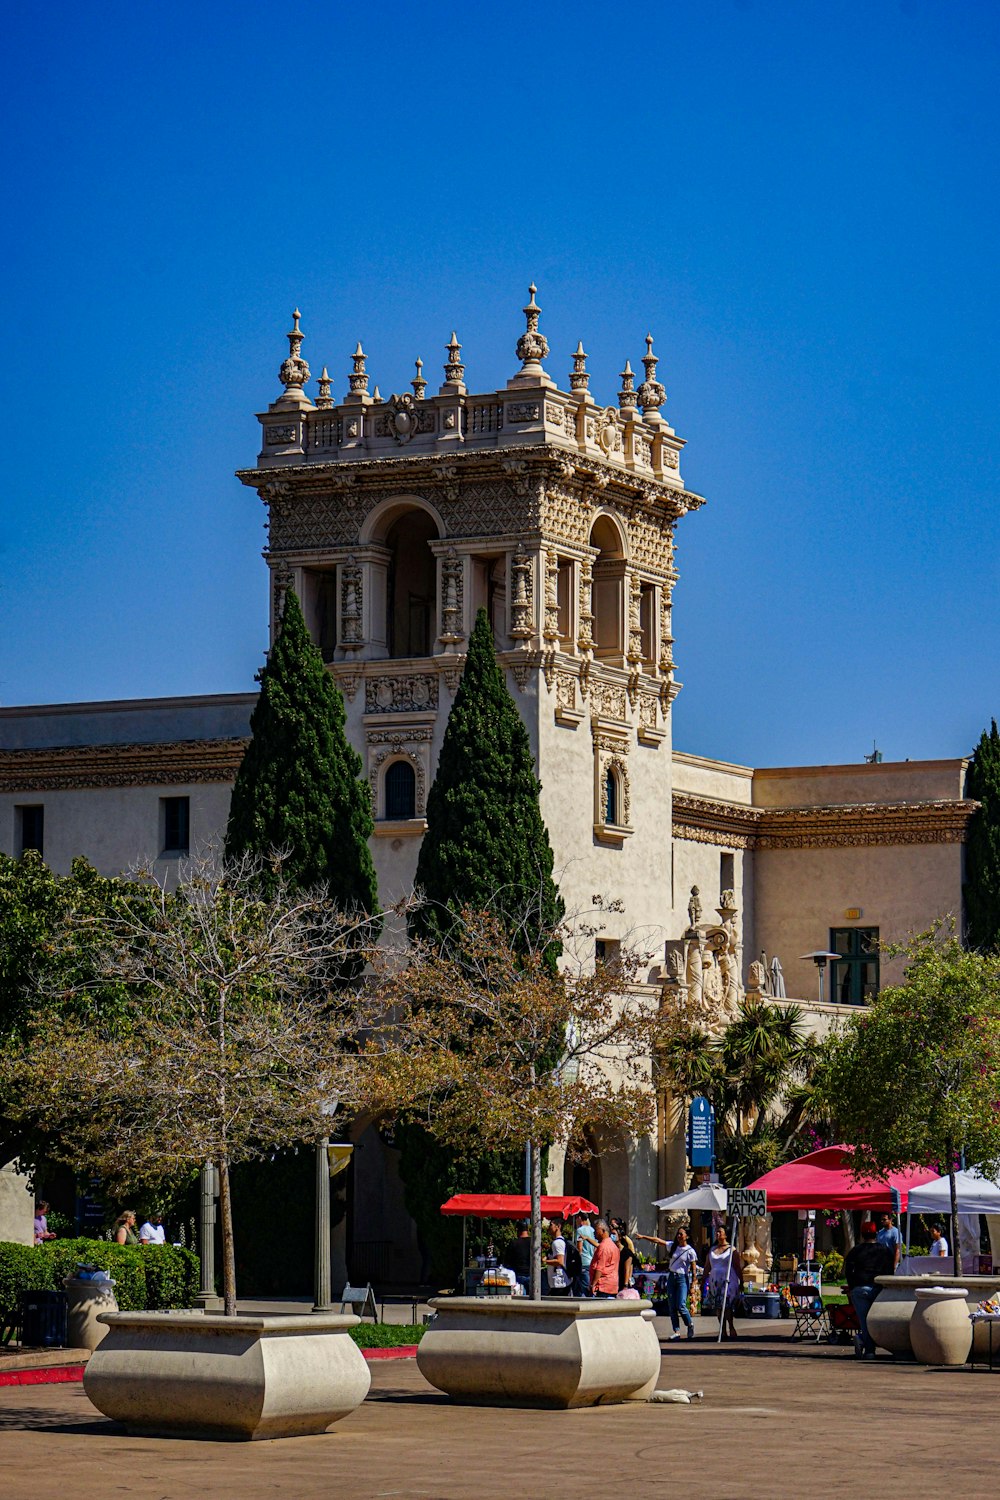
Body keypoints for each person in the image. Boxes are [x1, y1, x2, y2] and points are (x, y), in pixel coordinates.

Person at [636, 1225, 697, 1340]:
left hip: (682, 1278)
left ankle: (689, 1324)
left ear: (687, 1236)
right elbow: (658, 1241)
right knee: (672, 1305)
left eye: (681, 1234)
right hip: (672, 1277)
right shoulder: (673, 1246)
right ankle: (676, 1331)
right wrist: (643, 1237)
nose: (679, 1236)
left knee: (681, 1304)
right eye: (678, 1234)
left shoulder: (690, 1251)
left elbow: (693, 1268)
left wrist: (693, 1282)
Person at [844, 1220, 895, 1358]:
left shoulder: (855, 1251)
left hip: (860, 1288)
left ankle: (870, 1350)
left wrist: (852, 1286)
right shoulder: (884, 1250)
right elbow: (890, 1269)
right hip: (879, 1288)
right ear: (876, 1234)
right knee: (879, 1320)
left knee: (864, 1321)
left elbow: (848, 1271)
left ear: (862, 1235)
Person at [704, 1226, 743, 1340]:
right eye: (716, 1232)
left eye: (720, 1232)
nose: (717, 1234)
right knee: (718, 1305)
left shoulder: (732, 1250)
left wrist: (741, 1281)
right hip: (715, 1280)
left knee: (727, 1305)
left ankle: (731, 1326)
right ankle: (722, 1328)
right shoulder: (712, 1250)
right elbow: (707, 1266)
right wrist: (703, 1281)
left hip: (728, 1280)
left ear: (725, 1235)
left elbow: (737, 1266)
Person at [589, 1218, 621, 1298]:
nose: (594, 1233)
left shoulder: (603, 1247)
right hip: (612, 1286)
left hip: (603, 1286)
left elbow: (599, 1268)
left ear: (603, 1231)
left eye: (596, 1230)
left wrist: (593, 1284)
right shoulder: (613, 1246)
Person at [545, 1218, 571, 1296]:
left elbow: (560, 1261)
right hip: (559, 1281)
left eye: (551, 1225)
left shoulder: (557, 1243)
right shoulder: (562, 1241)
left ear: (558, 1226)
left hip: (559, 1281)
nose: (549, 1227)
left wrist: (544, 1262)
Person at [574, 1214, 598, 1297]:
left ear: (580, 1218)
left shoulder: (580, 1230)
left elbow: (579, 1247)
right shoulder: (592, 1230)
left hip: (583, 1261)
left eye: (577, 1218)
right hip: (591, 1261)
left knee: (584, 1289)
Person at [611, 1216, 637, 1289]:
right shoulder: (612, 1247)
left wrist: (627, 1282)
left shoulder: (627, 1244)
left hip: (623, 1278)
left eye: (613, 1225)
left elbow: (629, 1265)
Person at [508, 1220, 532, 1294]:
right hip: (532, 1274)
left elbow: (508, 1260)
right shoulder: (533, 1242)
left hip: (518, 1275)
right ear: (527, 1230)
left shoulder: (514, 1243)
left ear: (518, 1230)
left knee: (521, 1298)